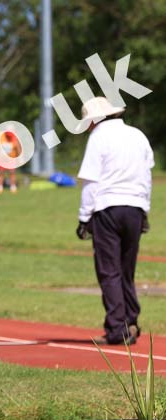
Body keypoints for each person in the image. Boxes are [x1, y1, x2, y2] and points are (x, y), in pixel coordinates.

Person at [76, 96, 153, 345]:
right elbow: (146, 175)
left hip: (107, 208)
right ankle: (131, 322)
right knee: (126, 270)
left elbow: (91, 180)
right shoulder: (138, 135)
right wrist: (144, 210)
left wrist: (83, 217)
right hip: (135, 207)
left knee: (109, 271)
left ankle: (116, 329)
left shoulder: (98, 137)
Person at [0, 130, 21, 194]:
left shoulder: (14, 137)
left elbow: (18, 148)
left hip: (11, 159)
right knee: (1, 173)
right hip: (2, 159)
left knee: (12, 173)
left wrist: (19, 157)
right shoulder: (1, 137)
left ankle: (13, 187)